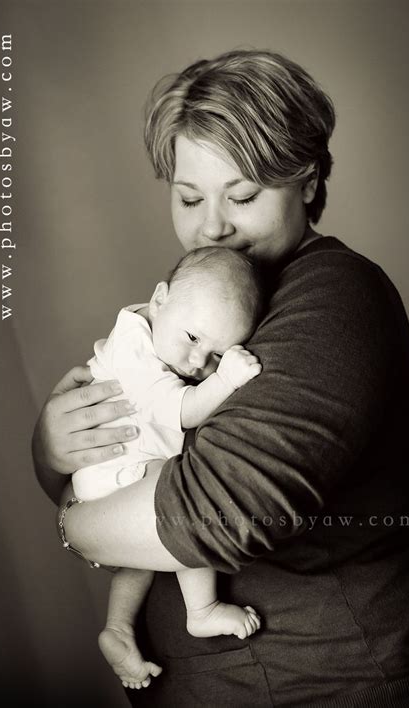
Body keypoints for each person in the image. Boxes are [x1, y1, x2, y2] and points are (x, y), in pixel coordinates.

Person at [33, 49, 409, 707]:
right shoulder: (200, 301)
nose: (211, 225)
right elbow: (130, 449)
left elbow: (222, 513)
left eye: (242, 194)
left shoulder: (332, 296)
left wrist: (74, 526)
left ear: (306, 181)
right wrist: (52, 449)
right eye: (188, 197)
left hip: (322, 677)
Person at [72, 247, 263, 689]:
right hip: (117, 467)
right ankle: (203, 611)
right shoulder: (142, 364)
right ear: (159, 299)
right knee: (183, 507)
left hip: (100, 476)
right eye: (194, 339)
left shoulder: (142, 328)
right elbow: (187, 409)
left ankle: (118, 628)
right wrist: (226, 378)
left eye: (216, 354)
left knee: (136, 562)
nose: (198, 363)